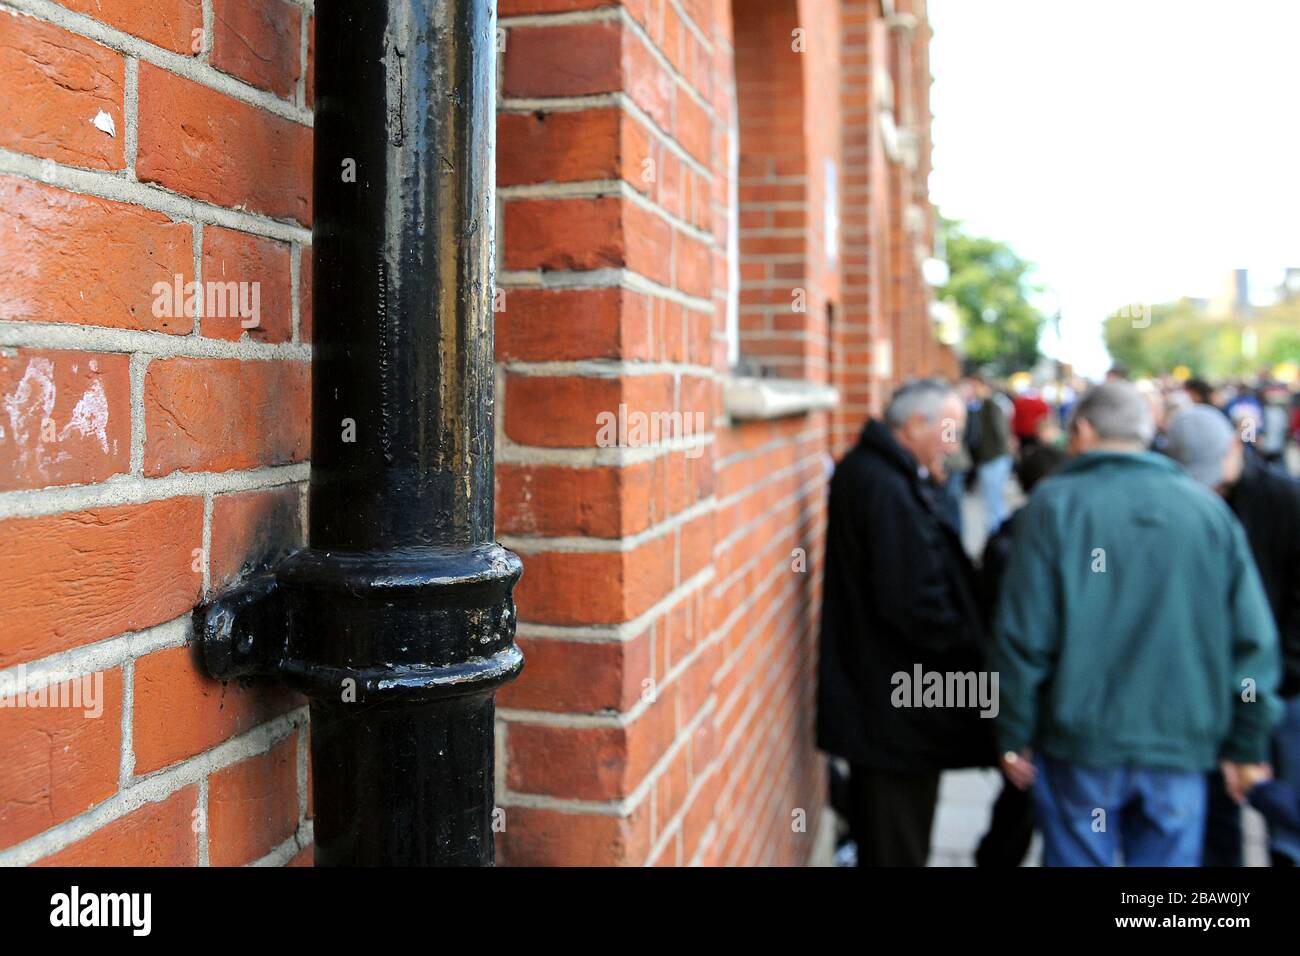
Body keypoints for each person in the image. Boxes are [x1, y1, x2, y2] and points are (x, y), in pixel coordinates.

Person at [991, 381, 1282, 867]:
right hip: (1178, 743)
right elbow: (1252, 642)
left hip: (1081, 742)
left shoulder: (1053, 506)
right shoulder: (1207, 511)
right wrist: (1246, 743)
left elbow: (1023, 636)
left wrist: (1012, 731)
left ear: (1084, 430)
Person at [817, 379, 990, 866]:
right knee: (897, 843)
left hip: (894, 706)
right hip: (893, 710)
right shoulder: (883, 483)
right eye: (950, 430)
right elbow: (914, 602)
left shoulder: (888, 474)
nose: (954, 445)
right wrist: (970, 647)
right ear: (915, 425)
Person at [1165, 404, 1300, 866]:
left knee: (1286, 825)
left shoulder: (1282, 499)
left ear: (1233, 449)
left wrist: (1278, 674)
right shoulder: (1182, 502)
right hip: (1211, 690)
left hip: (1283, 688)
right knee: (1216, 818)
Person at [974, 444, 1067, 867]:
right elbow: (1013, 641)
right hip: (1031, 700)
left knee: (1020, 803)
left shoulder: (1010, 536)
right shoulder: (1024, 544)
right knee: (1023, 801)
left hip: (1024, 698)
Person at [971, 375, 1013, 535]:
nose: (973, 390)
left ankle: (997, 536)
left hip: (993, 457)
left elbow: (1000, 432)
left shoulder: (991, 406)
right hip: (991, 457)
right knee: (993, 501)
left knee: (993, 501)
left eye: (976, 386)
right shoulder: (981, 406)